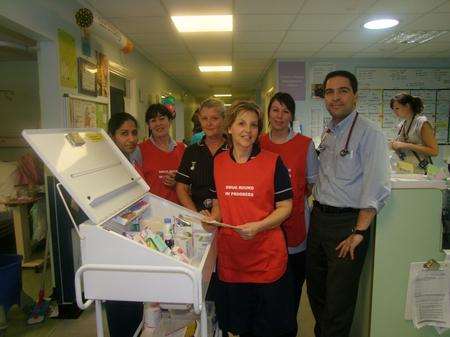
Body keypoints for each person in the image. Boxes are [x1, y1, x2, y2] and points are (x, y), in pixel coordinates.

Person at [306, 70, 391, 337]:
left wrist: (359, 232)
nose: (335, 97)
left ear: (355, 95)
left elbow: (376, 186)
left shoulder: (370, 133)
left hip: (347, 225)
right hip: (319, 219)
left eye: (342, 91)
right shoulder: (330, 130)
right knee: (316, 292)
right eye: (330, 92)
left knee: (339, 301)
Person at [203, 101, 297, 337]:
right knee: (236, 327)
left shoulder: (273, 162)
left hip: (266, 258)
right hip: (232, 260)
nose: (248, 130)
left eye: (254, 125)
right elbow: (219, 203)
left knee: (267, 327)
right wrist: (212, 218)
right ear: (230, 128)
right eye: (241, 123)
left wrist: (259, 226)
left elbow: (285, 206)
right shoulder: (218, 162)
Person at [259, 92, 318, 334]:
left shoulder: (305, 145)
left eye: (285, 111)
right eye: (275, 110)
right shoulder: (258, 143)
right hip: (263, 230)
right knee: (266, 292)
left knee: (291, 291)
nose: (280, 116)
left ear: (292, 115)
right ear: (268, 114)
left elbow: (313, 185)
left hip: (296, 232)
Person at [105, 112, 143, 337]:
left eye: (134, 133)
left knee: (134, 301)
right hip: (113, 243)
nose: (131, 139)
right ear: (112, 136)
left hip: (129, 237)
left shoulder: (129, 160)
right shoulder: (108, 165)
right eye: (124, 134)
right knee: (120, 303)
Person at [176, 98, 227, 213]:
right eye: (204, 119)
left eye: (214, 118)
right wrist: (196, 216)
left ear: (224, 119)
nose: (209, 123)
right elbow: (181, 188)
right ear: (199, 120)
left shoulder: (234, 150)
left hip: (228, 216)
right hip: (198, 214)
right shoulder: (191, 151)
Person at [139, 104, 185, 204]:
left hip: (180, 210)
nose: (158, 124)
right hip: (152, 212)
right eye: (153, 121)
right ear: (149, 125)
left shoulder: (182, 148)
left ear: (170, 121)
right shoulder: (140, 150)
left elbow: (191, 183)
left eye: (162, 119)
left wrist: (178, 182)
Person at [389, 93, 438, 172]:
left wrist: (406, 145)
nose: (394, 112)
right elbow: (403, 145)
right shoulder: (402, 124)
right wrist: (394, 145)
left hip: (422, 172)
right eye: (393, 109)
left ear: (407, 106)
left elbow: (434, 151)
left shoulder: (422, 123)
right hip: (407, 170)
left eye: (397, 108)